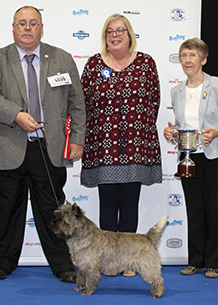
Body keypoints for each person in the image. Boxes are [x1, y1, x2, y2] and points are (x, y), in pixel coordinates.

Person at [0, 6, 86, 282]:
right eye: (22, 23)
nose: (27, 28)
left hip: (48, 150)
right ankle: (2, 262)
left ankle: (62, 264)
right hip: (7, 147)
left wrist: (77, 139)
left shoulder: (61, 59)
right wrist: (16, 115)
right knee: (6, 211)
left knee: (55, 211)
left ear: (42, 28)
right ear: (13, 27)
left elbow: (77, 104)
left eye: (33, 23)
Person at [81, 14, 162, 277]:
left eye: (120, 30)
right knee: (107, 204)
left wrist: (141, 130)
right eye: (110, 31)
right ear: (105, 37)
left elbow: (154, 101)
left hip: (136, 145)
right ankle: (107, 262)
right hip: (102, 145)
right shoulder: (93, 64)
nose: (115, 35)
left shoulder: (146, 63)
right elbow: (83, 103)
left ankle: (128, 262)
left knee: (129, 203)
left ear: (130, 34)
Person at [164, 38, 218, 278]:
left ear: (204, 60)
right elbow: (179, 126)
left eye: (193, 55)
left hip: (213, 155)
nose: (187, 60)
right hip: (188, 156)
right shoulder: (176, 91)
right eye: (184, 55)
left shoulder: (216, 85)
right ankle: (195, 260)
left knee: (214, 209)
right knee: (193, 209)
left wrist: (216, 132)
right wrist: (171, 133)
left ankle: (214, 262)